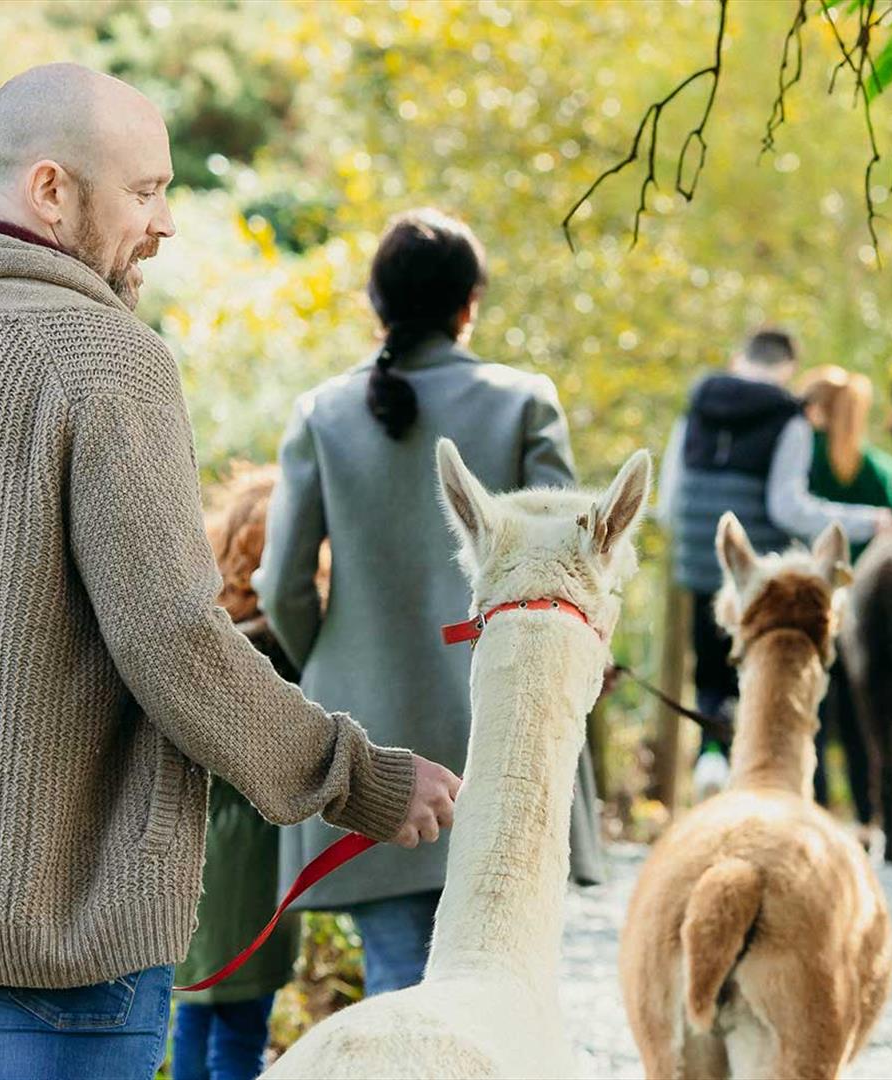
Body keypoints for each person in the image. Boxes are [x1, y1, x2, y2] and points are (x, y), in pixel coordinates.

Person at [0, 64, 461, 1080]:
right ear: (52, 190)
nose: (166, 224)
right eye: (146, 191)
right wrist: (361, 778)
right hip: (66, 929)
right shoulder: (108, 361)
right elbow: (177, 645)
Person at [254, 208, 607, 999]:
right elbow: (571, 563)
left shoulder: (321, 413)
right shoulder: (524, 401)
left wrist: (337, 662)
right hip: (502, 727)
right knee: (500, 985)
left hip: (368, 737)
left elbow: (278, 584)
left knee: (396, 987)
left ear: (377, 305)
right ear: (469, 304)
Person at [653, 329, 892, 796]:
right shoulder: (790, 419)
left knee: (709, 676)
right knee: (754, 677)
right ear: (787, 367)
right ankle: (752, 780)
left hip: (699, 561)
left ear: (737, 357)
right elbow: (787, 507)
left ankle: (710, 755)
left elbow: (667, 502)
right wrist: (869, 522)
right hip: (757, 576)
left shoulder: (695, 410)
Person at [170, 466, 308, 1080]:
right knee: (242, 1032)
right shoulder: (283, 645)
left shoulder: (196, 630)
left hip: (188, 844)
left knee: (195, 1016)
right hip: (253, 852)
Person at [797, 365, 892, 824]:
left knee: (815, 713)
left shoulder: (801, 461)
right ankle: (867, 816)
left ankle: (816, 810)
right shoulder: (880, 472)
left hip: (814, 603)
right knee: (860, 716)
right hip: (867, 610)